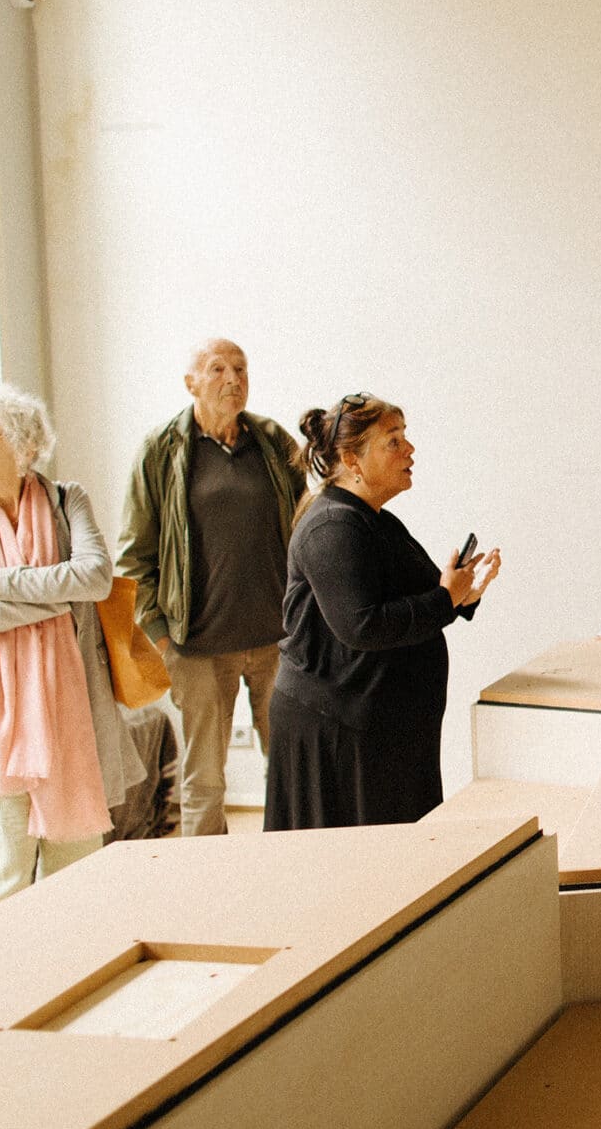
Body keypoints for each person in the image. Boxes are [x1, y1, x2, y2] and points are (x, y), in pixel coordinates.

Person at [0, 385, 144, 909]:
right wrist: (55, 601)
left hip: (73, 717)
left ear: (26, 447)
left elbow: (95, 578)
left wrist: (1, 584)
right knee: (2, 881)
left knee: (79, 878)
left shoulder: (69, 501)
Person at [265, 393, 500, 831]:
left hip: (376, 728)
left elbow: (423, 598)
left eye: (404, 436)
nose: (409, 449)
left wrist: (463, 594)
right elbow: (363, 625)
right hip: (337, 731)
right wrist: (446, 598)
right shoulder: (332, 526)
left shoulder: (374, 520)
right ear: (351, 459)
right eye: (393, 441)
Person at [116, 339, 304, 837]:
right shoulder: (161, 451)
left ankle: (294, 863)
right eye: (218, 369)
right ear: (191, 383)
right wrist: (161, 639)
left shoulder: (271, 441)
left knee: (291, 770)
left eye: (241, 368)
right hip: (196, 648)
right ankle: (204, 878)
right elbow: (132, 557)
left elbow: (308, 523)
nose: (233, 379)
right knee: (204, 781)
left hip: (278, 642)